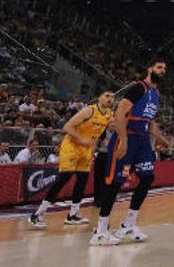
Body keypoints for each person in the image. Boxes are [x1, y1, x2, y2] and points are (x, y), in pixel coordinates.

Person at [90, 60, 171, 247]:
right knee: (115, 182)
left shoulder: (156, 93)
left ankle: (128, 225)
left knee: (147, 177)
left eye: (165, 69)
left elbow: (150, 122)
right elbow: (119, 113)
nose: (162, 71)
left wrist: (162, 140)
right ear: (150, 69)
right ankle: (101, 230)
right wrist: (124, 141)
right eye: (159, 67)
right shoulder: (138, 87)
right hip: (128, 138)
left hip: (143, 141)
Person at [28, 91, 114, 229]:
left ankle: (73, 215)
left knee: (82, 179)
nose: (110, 99)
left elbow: (108, 129)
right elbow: (67, 126)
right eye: (107, 96)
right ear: (99, 98)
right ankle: (37, 214)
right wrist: (81, 139)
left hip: (86, 149)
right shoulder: (89, 110)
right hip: (72, 145)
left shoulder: (110, 114)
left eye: (112, 97)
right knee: (64, 177)